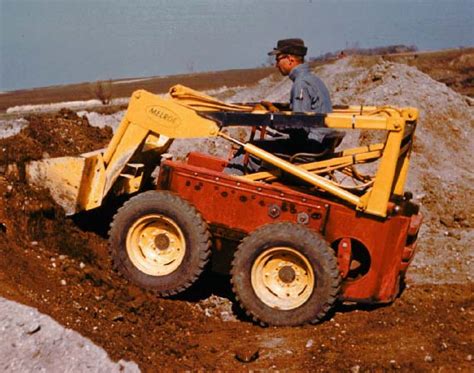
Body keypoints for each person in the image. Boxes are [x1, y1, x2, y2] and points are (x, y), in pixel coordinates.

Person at [224, 38, 342, 175]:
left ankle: (226, 181)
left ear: (290, 59)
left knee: (249, 149)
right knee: (261, 144)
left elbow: (300, 125)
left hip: (308, 149)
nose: (276, 65)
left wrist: (270, 120)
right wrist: (276, 111)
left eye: (278, 59)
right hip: (317, 146)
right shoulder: (313, 80)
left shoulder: (301, 84)